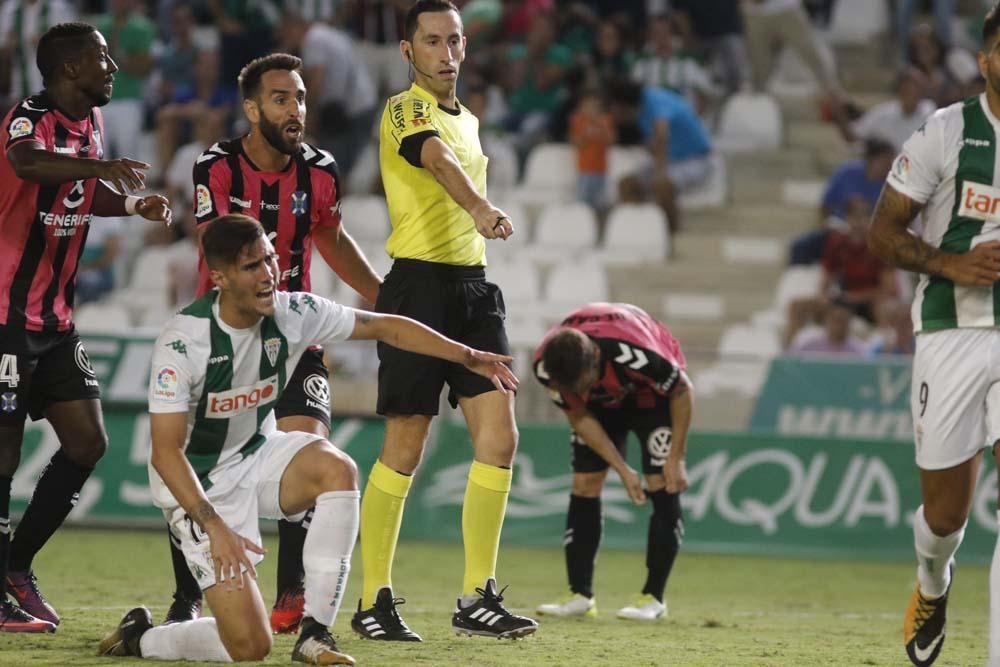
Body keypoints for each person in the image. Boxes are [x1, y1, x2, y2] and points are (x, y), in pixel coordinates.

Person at [97, 213, 518, 665]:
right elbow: (165, 453)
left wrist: (468, 355)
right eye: (252, 266)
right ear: (218, 278)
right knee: (249, 647)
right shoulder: (183, 342)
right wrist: (216, 527)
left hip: (259, 456)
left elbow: (384, 326)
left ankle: (316, 633)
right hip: (199, 487)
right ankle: (140, 637)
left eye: (271, 260)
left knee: (337, 469)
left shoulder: (294, 313)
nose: (268, 275)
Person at [162, 52, 384, 634]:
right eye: (282, 98)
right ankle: (187, 593)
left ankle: (291, 590)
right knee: (203, 461)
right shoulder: (216, 168)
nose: (296, 110)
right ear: (253, 107)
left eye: (301, 98)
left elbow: (330, 237)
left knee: (308, 441)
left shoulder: (321, 170)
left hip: (294, 335)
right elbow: (217, 249)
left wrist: (379, 293)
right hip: (228, 339)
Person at [351, 0, 537, 642]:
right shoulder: (406, 108)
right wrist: (483, 209)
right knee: (406, 442)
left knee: (501, 436)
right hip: (418, 287)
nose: (446, 51)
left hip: (472, 287)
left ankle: (476, 597)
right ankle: (374, 597)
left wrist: (480, 226)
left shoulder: (474, 120)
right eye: (432, 41)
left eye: (454, 40)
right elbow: (435, 160)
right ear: (409, 51)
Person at [0, 22, 171, 632]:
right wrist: (99, 166)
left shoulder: (88, 125)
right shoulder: (31, 116)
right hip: (6, 317)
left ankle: (15, 568)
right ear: (70, 68)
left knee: (87, 443)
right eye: (102, 58)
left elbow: (75, 191)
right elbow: (24, 164)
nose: (112, 67)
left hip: (56, 319)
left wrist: (128, 204)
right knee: (5, 451)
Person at [867, 6, 1000, 665]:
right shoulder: (948, 132)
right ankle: (932, 580)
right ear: (985, 61)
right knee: (944, 515)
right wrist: (951, 263)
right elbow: (881, 233)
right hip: (951, 332)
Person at [530, 303, 690, 622]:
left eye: (582, 384)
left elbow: (683, 391)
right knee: (585, 483)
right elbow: (578, 414)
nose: (579, 392)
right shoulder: (548, 367)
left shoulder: (638, 354)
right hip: (601, 407)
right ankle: (579, 596)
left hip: (652, 399)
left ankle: (653, 598)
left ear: (595, 362)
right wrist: (621, 469)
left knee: (662, 481)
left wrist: (677, 457)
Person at [609, 80, 712, 234]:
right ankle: (639, 229)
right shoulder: (637, 115)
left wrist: (659, 173)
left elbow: (661, 137)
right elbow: (652, 146)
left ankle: (671, 231)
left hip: (694, 159)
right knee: (626, 184)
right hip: (671, 159)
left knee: (663, 185)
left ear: (623, 106)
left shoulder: (655, 101)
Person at [569, 87, 616, 214]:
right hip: (584, 170)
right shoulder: (578, 120)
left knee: (601, 205)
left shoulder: (605, 120)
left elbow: (611, 141)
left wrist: (601, 125)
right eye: (588, 105)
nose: (592, 109)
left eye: (595, 106)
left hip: (601, 170)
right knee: (582, 204)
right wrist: (586, 130)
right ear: (582, 106)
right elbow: (577, 143)